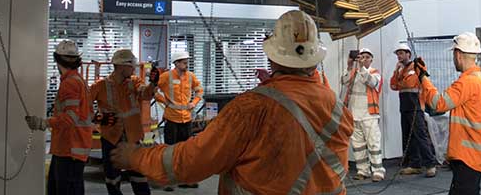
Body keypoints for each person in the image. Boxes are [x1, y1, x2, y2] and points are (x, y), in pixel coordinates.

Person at [109, 10, 353, 194]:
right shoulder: (336, 105)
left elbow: (193, 160)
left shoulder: (252, 107)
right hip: (173, 117)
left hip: (175, 122)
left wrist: (136, 158)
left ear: (273, 58)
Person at [416, 33, 481, 195]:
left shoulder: (468, 82)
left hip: (468, 155)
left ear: (458, 55)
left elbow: (439, 104)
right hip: (476, 154)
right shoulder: (479, 80)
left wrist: (423, 77)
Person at [26, 39, 93, 195]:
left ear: (57, 59)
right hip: (71, 149)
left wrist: (43, 123)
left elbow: (71, 118)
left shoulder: (70, 83)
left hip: (69, 150)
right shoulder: (78, 81)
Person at [89, 49, 159, 195]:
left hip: (132, 137)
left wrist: (153, 83)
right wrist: (98, 118)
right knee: (112, 179)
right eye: (131, 65)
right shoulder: (100, 85)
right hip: (110, 138)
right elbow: (83, 107)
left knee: (139, 176)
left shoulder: (134, 82)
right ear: (121, 66)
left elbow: (145, 94)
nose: (133, 68)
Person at [155, 51, 203, 191]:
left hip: (186, 119)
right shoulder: (166, 77)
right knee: (170, 151)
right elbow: (153, 90)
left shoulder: (190, 76)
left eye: (187, 62)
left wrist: (194, 102)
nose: (186, 64)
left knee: (185, 152)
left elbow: (199, 90)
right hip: (172, 119)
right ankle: (168, 181)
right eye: (183, 62)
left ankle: (185, 180)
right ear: (175, 63)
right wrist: (165, 101)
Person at [390, 42, 437, 177]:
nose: (399, 56)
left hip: (416, 106)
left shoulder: (416, 66)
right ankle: (414, 164)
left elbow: (408, 83)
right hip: (405, 106)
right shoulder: (401, 70)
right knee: (408, 137)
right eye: (397, 54)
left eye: (401, 53)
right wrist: (396, 72)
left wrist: (400, 81)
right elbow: (393, 86)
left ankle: (430, 164)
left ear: (408, 54)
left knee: (421, 136)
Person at [341, 47, 385, 182]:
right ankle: (362, 170)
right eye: (361, 56)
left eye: (366, 57)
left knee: (373, 144)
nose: (363, 59)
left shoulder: (375, 73)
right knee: (358, 145)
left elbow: (372, 82)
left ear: (371, 59)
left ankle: (377, 171)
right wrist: (349, 66)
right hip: (354, 114)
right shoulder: (354, 73)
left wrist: (361, 68)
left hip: (369, 115)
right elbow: (344, 81)